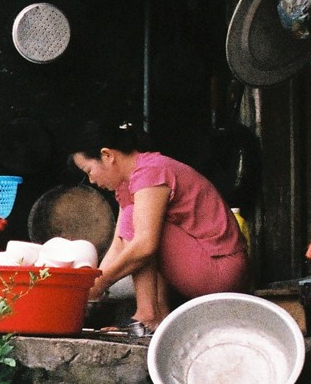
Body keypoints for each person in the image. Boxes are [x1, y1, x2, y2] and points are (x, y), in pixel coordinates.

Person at [70, 121, 249, 332]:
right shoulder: (128, 183)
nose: (91, 180)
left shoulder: (150, 171)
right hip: (201, 265)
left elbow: (144, 244)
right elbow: (119, 246)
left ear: (107, 155)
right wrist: (87, 287)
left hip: (221, 269)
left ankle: (147, 316)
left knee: (136, 223)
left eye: (89, 170)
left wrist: (100, 283)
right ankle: (158, 317)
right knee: (135, 222)